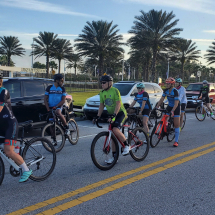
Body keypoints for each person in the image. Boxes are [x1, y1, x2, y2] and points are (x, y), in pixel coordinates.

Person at [0, 71, 32, 182]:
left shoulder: (3, 91)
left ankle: (26, 169)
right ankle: (16, 152)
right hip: (1, 125)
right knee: (6, 149)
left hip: (10, 124)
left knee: (8, 151)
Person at [94, 74, 128, 163]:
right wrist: (98, 116)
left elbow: (118, 104)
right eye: (101, 83)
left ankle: (126, 145)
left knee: (115, 129)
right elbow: (101, 105)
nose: (102, 84)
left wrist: (114, 115)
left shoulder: (115, 91)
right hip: (112, 114)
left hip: (120, 113)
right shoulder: (102, 93)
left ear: (110, 83)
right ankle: (114, 157)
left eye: (104, 82)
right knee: (112, 135)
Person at [156, 77, 180, 147]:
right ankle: (163, 131)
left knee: (176, 125)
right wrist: (157, 106)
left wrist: (172, 111)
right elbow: (161, 99)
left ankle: (176, 141)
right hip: (169, 106)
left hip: (176, 107)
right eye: (166, 83)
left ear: (172, 84)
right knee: (163, 119)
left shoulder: (175, 91)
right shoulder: (166, 90)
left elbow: (176, 104)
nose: (166, 85)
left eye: (168, 83)